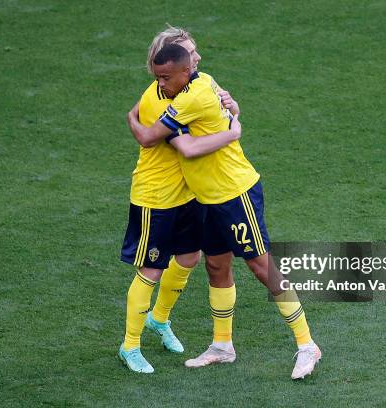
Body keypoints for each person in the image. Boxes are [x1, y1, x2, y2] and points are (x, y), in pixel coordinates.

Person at [127, 44, 322, 380]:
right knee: (216, 266)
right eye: (158, 77)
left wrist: (131, 117)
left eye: (166, 77)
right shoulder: (197, 85)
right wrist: (233, 118)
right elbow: (227, 107)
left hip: (234, 193)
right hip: (206, 198)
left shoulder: (189, 97)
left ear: (185, 72)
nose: (161, 83)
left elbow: (163, 141)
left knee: (262, 268)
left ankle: (307, 345)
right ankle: (222, 346)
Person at [118, 27, 241, 374]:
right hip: (155, 196)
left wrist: (231, 106)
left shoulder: (195, 84)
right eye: (190, 52)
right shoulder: (162, 98)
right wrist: (232, 130)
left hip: (188, 192)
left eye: (195, 51)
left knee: (188, 257)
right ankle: (130, 346)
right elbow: (182, 144)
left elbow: (223, 106)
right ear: (171, 64)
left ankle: (160, 319)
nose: (197, 57)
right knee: (152, 269)